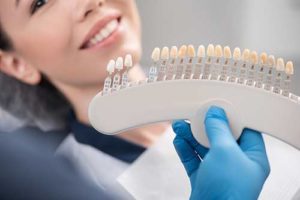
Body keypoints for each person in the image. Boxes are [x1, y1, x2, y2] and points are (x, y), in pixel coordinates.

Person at [0, 0, 270, 199]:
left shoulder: (248, 101)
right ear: (15, 64)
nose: (88, 3)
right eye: (40, 3)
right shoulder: (54, 185)